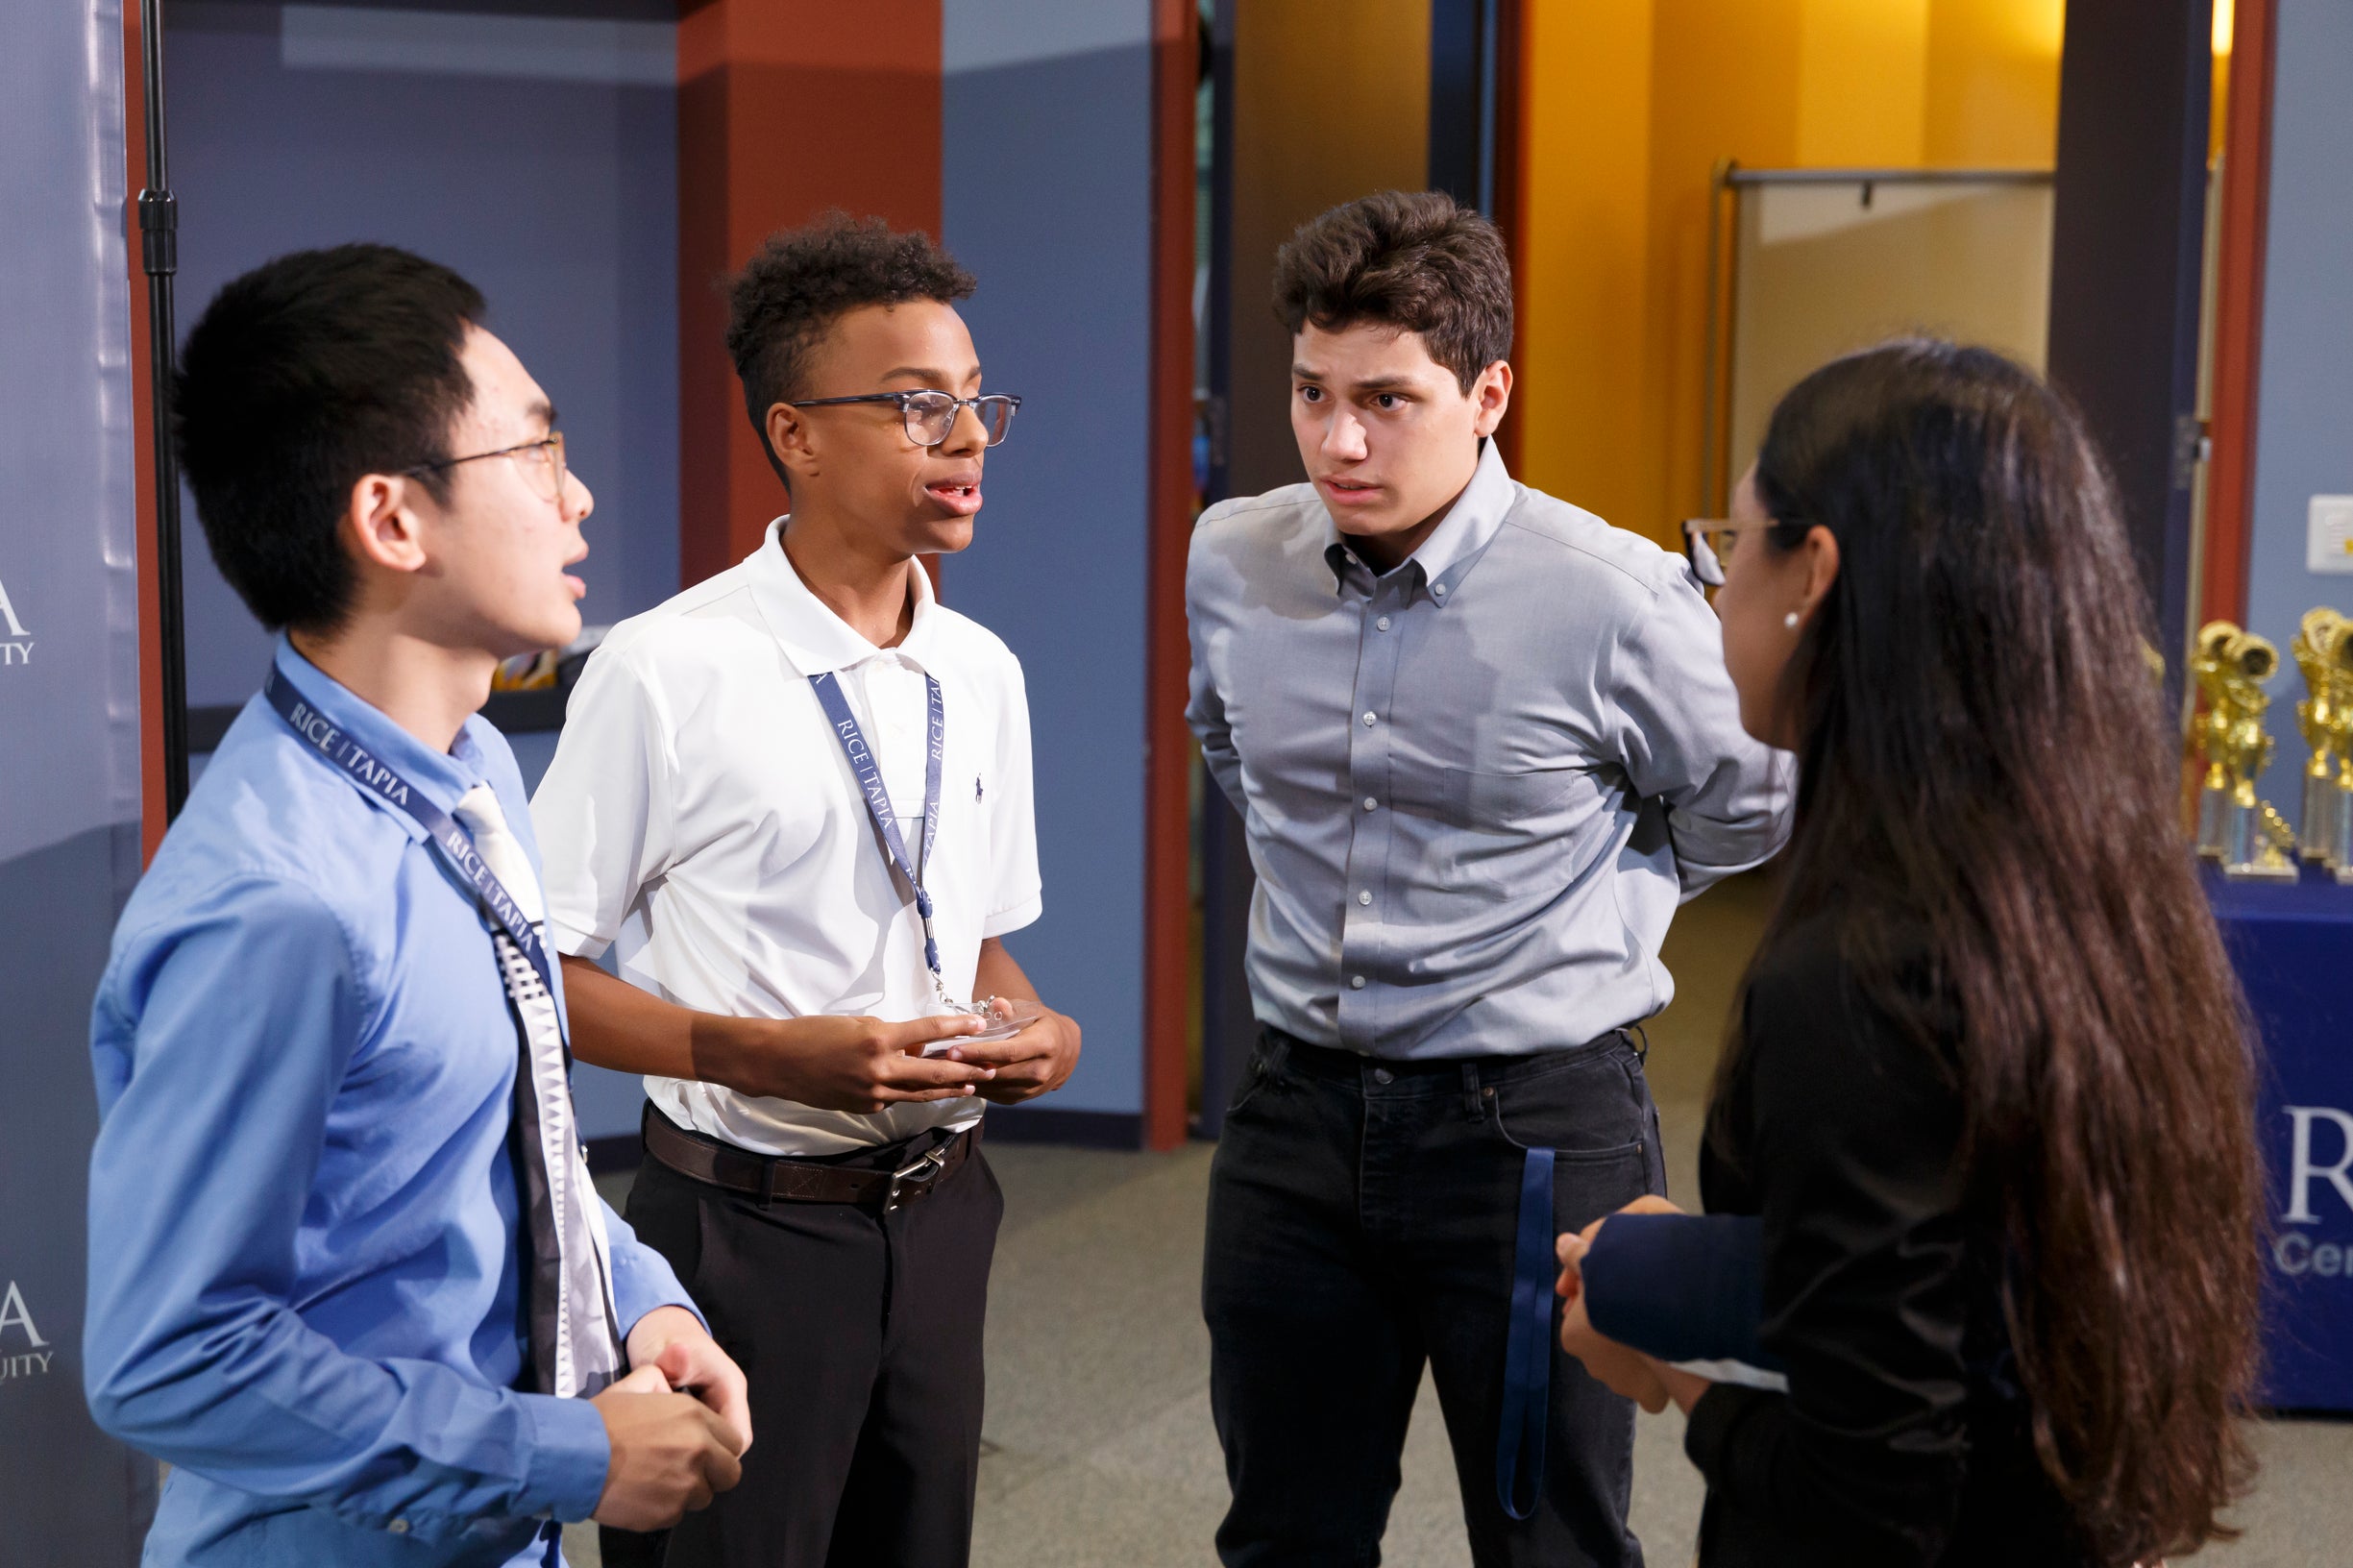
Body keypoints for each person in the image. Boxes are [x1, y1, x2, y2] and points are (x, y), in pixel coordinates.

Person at [84, 244, 750, 1567]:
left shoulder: (474, 767)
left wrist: (635, 1300)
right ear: (394, 521)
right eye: (537, 452)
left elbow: (507, 1141)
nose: (581, 497)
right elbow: (167, 1359)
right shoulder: (278, 906)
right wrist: (568, 1454)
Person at [1556, 339, 2264, 1565]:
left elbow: (1873, 1494)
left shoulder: (1854, 978)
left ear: (1813, 574)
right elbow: (1969, 1291)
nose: (1718, 596)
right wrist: (1699, 1276)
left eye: (1732, 549)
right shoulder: (2089, 907)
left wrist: (1677, 1381)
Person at [1186, 188, 1791, 1567]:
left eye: (1387, 400)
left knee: (1551, 1541)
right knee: (1281, 1533)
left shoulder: (1614, 597)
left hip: (1532, 1124)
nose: (1338, 439)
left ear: (1487, 391)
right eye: (1310, 393)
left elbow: (1747, 800)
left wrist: (1580, 909)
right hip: (1293, 1116)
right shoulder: (1231, 559)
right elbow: (1230, 749)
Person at [530, 212, 1081, 1568]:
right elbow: (539, 974)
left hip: (944, 1215)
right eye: (914, 408)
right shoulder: (668, 669)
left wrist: (1033, 1028)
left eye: (972, 405)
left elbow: (982, 944)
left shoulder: (984, 670)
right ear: (795, 435)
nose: (963, 440)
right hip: (738, 1237)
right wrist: (764, 1054)